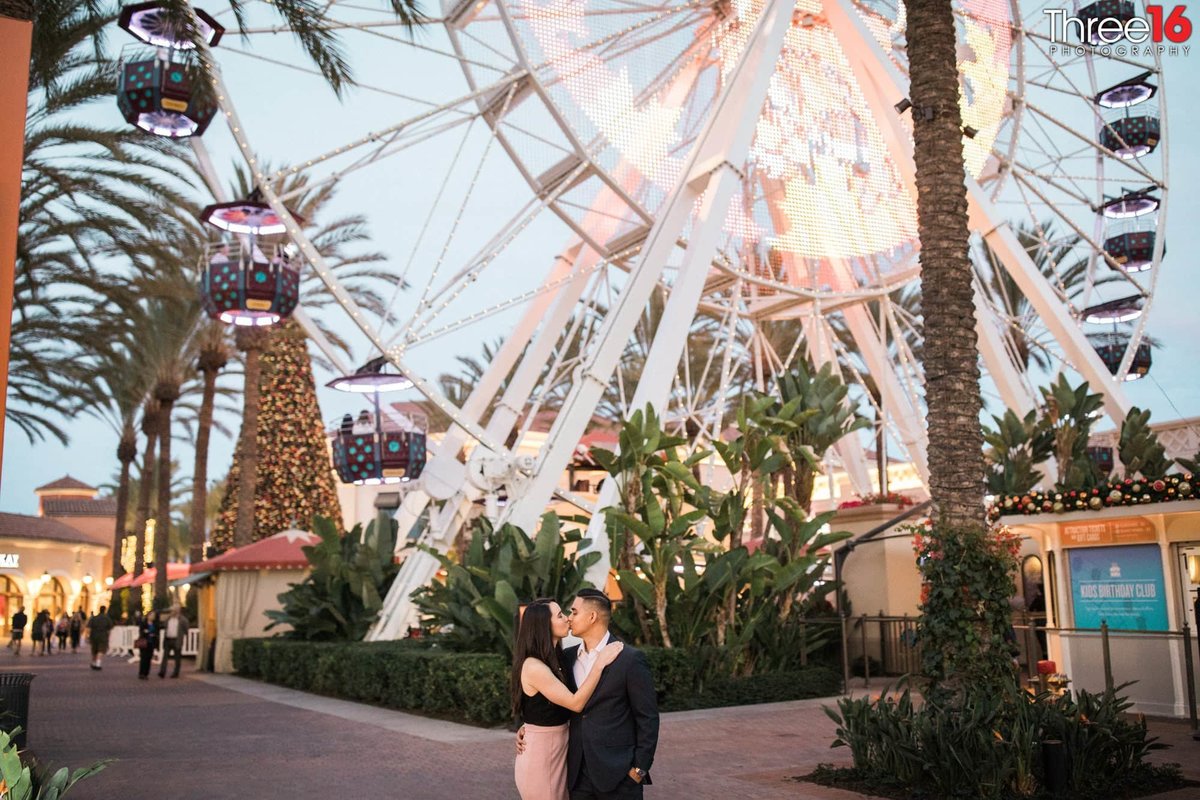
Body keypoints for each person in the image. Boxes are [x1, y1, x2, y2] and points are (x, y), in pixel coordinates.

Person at [517, 589, 660, 800]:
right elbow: (552, 701)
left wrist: (639, 769)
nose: (569, 618)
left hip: (619, 774)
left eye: (573, 612)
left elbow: (647, 717)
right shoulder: (566, 658)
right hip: (575, 774)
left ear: (592, 617)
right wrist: (529, 726)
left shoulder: (629, 659)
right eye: (564, 614)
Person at [513, 599, 623, 800]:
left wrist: (527, 724)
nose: (568, 619)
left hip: (559, 751)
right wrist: (599, 664)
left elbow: (545, 706)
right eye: (560, 615)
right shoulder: (534, 666)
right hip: (541, 757)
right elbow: (575, 703)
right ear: (544, 625)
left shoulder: (559, 658)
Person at [158, 605, 190, 679]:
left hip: (176, 640)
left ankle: (176, 673)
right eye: (171, 611)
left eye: (173, 610)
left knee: (177, 658)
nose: (171, 612)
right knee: (165, 657)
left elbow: (186, 629)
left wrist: (182, 635)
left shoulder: (182, 620)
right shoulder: (168, 619)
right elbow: (163, 625)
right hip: (168, 639)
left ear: (177, 611)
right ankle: (162, 672)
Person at [86, 606, 114, 670]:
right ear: (105, 610)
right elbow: (110, 629)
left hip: (94, 636)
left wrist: (87, 636)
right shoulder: (107, 618)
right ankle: (98, 664)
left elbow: (88, 628)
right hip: (103, 636)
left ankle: (93, 663)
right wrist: (109, 636)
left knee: (94, 650)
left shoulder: (94, 618)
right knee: (101, 650)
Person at [137, 610, 158, 680]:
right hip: (144, 643)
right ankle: (141, 673)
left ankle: (146, 673)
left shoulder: (154, 624)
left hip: (151, 643)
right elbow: (141, 631)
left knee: (149, 658)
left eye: (154, 615)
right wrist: (147, 632)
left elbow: (156, 633)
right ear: (148, 616)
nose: (153, 617)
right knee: (143, 658)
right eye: (152, 615)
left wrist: (153, 635)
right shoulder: (144, 623)